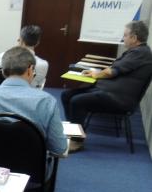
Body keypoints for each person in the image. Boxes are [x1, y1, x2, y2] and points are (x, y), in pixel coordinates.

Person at [61, 20, 152, 151]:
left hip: (119, 99)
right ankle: (75, 132)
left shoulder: (140, 53)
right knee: (66, 95)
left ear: (134, 38)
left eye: (125, 35)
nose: (123, 38)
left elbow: (112, 71)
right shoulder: (136, 51)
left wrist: (95, 74)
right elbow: (115, 69)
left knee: (76, 101)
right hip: (109, 92)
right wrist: (95, 73)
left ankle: (77, 141)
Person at [0, 47, 67, 155]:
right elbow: (59, 148)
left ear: (3, 71)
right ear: (30, 70)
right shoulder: (46, 102)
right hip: (30, 170)